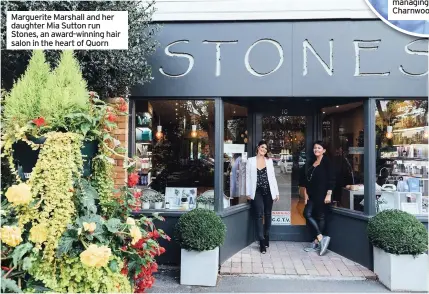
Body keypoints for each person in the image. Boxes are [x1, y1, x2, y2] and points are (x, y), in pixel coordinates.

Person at [246, 140, 280, 254]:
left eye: (266, 148)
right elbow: (247, 178)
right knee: (259, 215)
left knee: (268, 214)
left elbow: (273, 177)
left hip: (269, 191)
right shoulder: (250, 161)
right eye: (262, 147)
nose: (264, 150)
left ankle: (266, 235)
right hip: (257, 192)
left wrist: (276, 192)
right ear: (258, 147)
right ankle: (261, 241)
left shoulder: (269, 161)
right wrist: (248, 192)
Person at [302, 141, 335, 256]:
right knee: (307, 213)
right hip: (312, 195)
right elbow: (308, 180)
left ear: (324, 150)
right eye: (315, 148)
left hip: (322, 194)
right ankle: (321, 238)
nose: (316, 150)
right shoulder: (313, 162)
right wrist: (306, 195)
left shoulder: (326, 162)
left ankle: (316, 242)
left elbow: (331, 178)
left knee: (321, 216)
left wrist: (329, 194)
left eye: (319, 148)